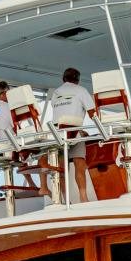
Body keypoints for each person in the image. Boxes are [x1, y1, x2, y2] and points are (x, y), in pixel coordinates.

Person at [47, 67, 98, 202]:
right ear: (78, 80)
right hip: (75, 134)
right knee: (79, 165)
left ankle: (64, 199)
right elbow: (93, 113)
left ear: (63, 79)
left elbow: (58, 110)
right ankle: (83, 197)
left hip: (59, 135)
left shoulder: (56, 92)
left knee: (62, 170)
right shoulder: (81, 90)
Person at [0, 79, 44, 196]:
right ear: (2, 94)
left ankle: (31, 183)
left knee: (18, 146)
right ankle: (35, 184)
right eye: (8, 93)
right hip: (7, 146)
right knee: (35, 149)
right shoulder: (8, 107)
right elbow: (16, 127)